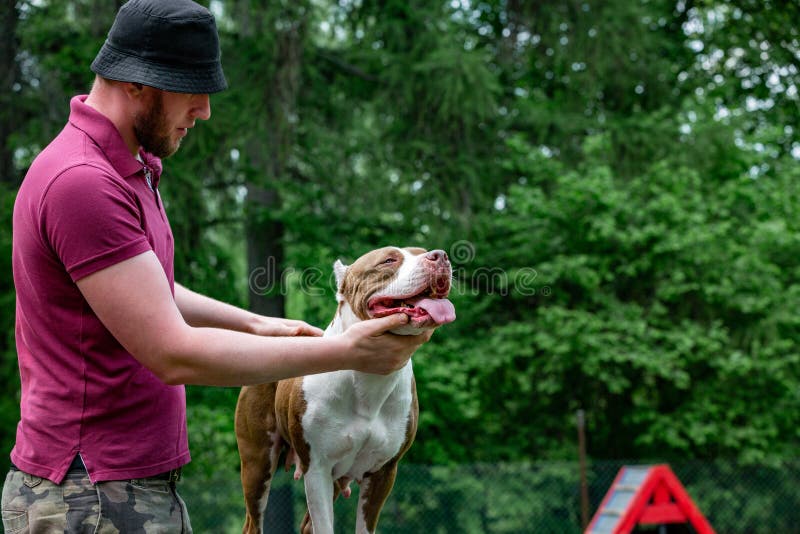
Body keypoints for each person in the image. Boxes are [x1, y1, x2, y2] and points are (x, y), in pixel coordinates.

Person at [1, 1, 430, 532]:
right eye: (191, 88)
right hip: (90, 493)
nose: (204, 110)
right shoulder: (84, 182)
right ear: (136, 83)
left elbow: (142, 291)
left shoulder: (125, 169)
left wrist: (253, 323)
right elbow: (172, 354)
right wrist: (342, 351)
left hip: (118, 486)